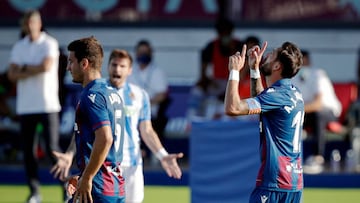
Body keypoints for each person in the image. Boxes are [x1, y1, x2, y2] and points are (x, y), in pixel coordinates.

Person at [51, 49, 183, 203]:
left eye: (122, 66)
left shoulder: (140, 95)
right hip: (104, 165)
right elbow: (83, 129)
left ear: (130, 70)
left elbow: (146, 130)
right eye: (114, 65)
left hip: (131, 164)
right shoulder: (98, 93)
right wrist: (70, 153)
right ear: (108, 67)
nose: (117, 69)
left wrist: (162, 155)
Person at [224, 41, 304, 203]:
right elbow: (262, 101)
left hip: (274, 180)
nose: (264, 57)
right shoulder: (293, 92)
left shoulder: (278, 95)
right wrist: (254, 69)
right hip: (294, 180)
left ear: (276, 67)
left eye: (271, 56)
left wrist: (234, 72)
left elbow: (232, 108)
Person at [56, 36, 126, 203]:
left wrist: (87, 178)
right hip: (115, 186)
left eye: (71, 62)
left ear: (84, 64)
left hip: (97, 189)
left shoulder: (92, 95)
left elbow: (105, 138)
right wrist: (83, 176)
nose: (67, 68)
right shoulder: (113, 93)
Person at [7, 10, 61, 203]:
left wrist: (23, 69)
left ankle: (67, 190)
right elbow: (11, 75)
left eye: (33, 22)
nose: (30, 26)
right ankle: (34, 192)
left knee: (52, 150)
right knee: (28, 152)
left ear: (39, 24)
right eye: (27, 23)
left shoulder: (49, 43)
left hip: (48, 105)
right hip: (26, 107)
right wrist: (32, 69)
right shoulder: (19, 46)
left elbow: (45, 67)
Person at [292, 50, 342, 174]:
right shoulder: (293, 77)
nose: (302, 63)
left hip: (329, 112)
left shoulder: (318, 74)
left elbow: (318, 104)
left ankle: (317, 157)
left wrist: (297, 110)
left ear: (309, 60)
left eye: (304, 60)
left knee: (318, 114)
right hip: (307, 113)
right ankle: (288, 159)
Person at [127, 39, 170, 160]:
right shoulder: (129, 70)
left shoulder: (157, 72)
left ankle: (157, 155)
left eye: (146, 52)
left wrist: (144, 104)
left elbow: (162, 94)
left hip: (151, 111)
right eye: (140, 52)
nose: (143, 55)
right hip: (131, 110)